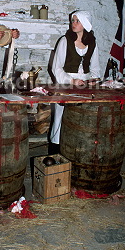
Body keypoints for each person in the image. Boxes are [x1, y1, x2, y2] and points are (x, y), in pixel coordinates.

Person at [49, 10, 101, 153]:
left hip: (84, 85)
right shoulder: (65, 40)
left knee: (81, 117)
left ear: (85, 23)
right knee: (60, 118)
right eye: (73, 20)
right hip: (65, 82)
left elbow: (95, 66)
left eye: (77, 21)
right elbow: (56, 67)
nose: (74, 23)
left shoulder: (92, 42)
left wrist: (93, 79)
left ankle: (77, 150)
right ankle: (55, 151)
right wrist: (71, 80)